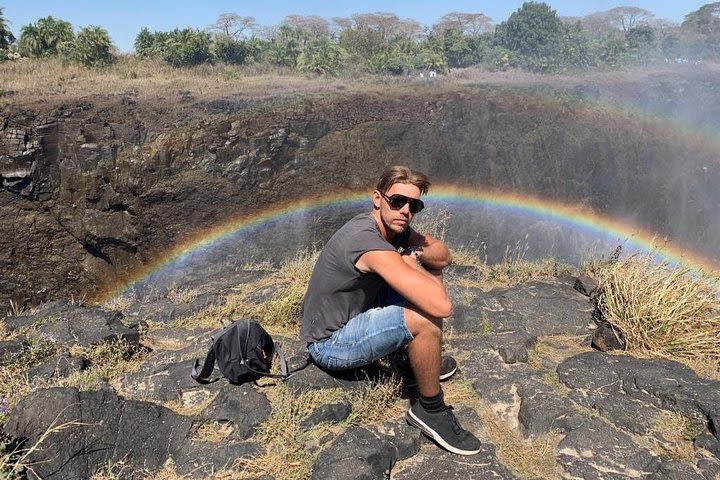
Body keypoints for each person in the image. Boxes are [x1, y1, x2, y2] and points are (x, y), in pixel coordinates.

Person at [299, 165, 481, 455]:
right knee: (425, 315)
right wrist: (413, 266)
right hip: (330, 342)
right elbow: (442, 306)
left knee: (427, 271)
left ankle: (416, 362)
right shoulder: (366, 240)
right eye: (397, 201)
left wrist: (417, 253)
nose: (405, 210)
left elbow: (444, 255)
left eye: (414, 205)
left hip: (356, 314)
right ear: (378, 199)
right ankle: (430, 410)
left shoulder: (394, 228)